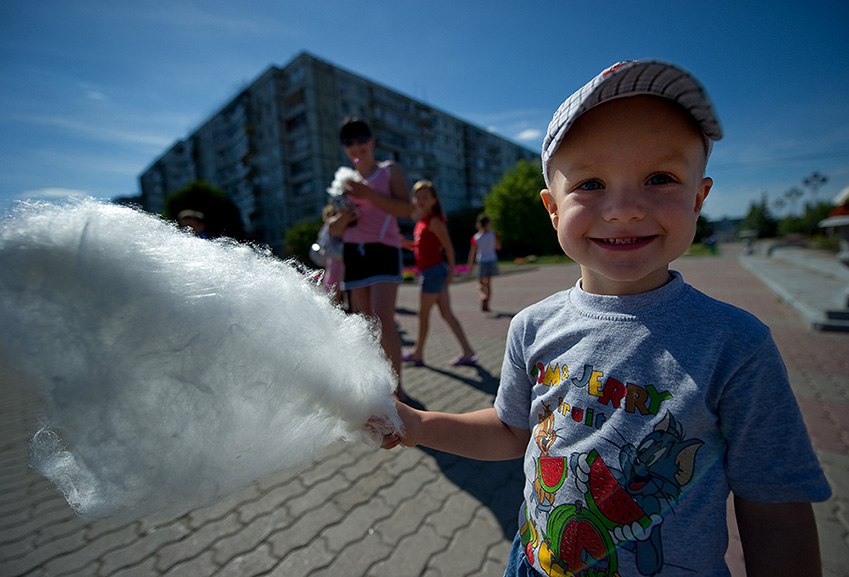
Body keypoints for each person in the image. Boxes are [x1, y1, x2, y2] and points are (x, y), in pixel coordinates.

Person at [378, 61, 831, 576]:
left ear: (699, 198)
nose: (624, 208)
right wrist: (419, 425)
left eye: (660, 178)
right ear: (553, 209)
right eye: (591, 183)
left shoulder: (736, 345)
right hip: (533, 562)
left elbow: (775, 510)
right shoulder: (531, 325)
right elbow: (511, 432)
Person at [327, 117, 414, 402]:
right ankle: (376, 385)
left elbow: (407, 210)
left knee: (382, 320)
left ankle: (397, 388)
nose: (356, 146)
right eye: (349, 142)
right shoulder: (343, 181)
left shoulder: (388, 171)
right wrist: (343, 219)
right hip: (354, 252)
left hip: (383, 248)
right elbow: (333, 229)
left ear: (371, 141)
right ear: (344, 147)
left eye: (361, 139)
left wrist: (369, 195)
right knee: (364, 324)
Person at [402, 180, 476, 367]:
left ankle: (417, 353)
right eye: (417, 197)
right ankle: (467, 351)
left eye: (425, 197)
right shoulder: (421, 222)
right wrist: (405, 243)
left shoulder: (434, 221)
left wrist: (451, 270)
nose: (420, 200)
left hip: (433, 272)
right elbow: (421, 248)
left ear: (434, 200)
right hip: (432, 272)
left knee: (423, 315)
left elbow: (448, 247)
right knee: (446, 314)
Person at [467, 214, 500, 311]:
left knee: (480, 283)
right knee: (488, 284)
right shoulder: (493, 235)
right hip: (492, 259)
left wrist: (470, 265)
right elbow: (498, 247)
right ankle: (487, 304)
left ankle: (483, 296)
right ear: (488, 224)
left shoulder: (476, 237)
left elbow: (473, 253)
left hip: (482, 261)